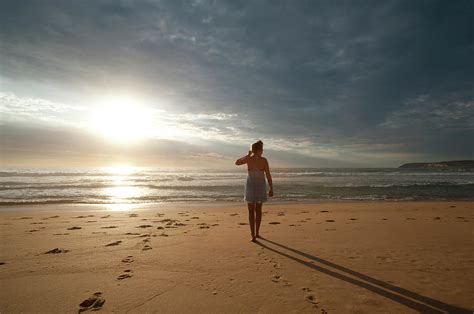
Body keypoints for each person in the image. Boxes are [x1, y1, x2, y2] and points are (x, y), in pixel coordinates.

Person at [235, 140, 273, 241]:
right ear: (258, 150)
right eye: (262, 149)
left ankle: (253, 234)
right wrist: (271, 188)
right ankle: (256, 233)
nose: (262, 151)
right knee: (258, 210)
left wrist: (247, 155)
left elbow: (237, 162)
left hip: (252, 185)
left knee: (252, 211)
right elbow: (268, 175)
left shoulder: (250, 159)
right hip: (258, 185)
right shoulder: (263, 160)